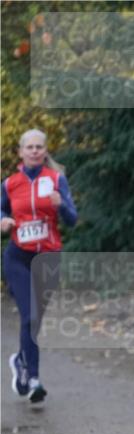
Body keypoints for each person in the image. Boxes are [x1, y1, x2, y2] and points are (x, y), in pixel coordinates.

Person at [1, 129, 78, 405]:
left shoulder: (57, 180)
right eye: (29, 147)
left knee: (36, 320)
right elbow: (0, 209)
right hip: (17, 258)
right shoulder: (10, 184)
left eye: (39, 147)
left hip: (48, 258)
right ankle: (33, 378)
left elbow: (72, 219)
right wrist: (3, 220)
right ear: (21, 152)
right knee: (29, 317)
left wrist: (61, 206)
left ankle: (21, 360)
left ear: (45, 151)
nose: (34, 151)